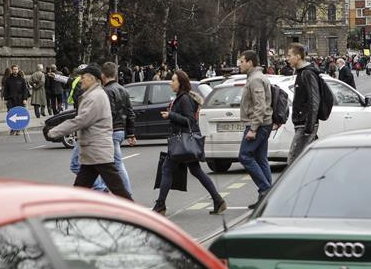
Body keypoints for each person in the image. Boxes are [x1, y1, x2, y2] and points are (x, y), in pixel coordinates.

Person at [48, 65, 133, 200]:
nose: (81, 80)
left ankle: (133, 215)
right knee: (81, 188)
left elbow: (81, 120)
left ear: (92, 79)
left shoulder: (95, 97)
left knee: (117, 188)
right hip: (92, 151)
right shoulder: (92, 94)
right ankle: (72, 215)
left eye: (83, 77)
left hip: (98, 149)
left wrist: (55, 131)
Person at [153, 71, 225, 215]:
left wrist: (171, 115)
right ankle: (218, 200)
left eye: (173, 80)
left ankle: (160, 205)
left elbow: (189, 120)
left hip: (182, 141)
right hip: (184, 142)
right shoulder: (180, 98)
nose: (170, 83)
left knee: (167, 169)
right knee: (196, 170)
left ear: (180, 83)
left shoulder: (184, 99)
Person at [238, 50, 272, 210]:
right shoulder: (254, 78)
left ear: (250, 62)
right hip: (262, 123)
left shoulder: (256, 79)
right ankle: (267, 198)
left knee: (244, 156)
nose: (240, 64)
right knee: (260, 158)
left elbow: (260, 106)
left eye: (242, 61)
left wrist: (253, 128)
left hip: (258, 124)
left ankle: (266, 190)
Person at [101, 62, 136, 195]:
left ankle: (126, 195)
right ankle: (106, 189)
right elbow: (130, 112)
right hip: (120, 130)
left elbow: (108, 113)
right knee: (110, 163)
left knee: (115, 164)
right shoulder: (123, 89)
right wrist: (131, 133)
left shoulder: (106, 91)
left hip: (111, 130)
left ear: (103, 75)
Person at [286, 43, 321, 166]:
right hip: (302, 123)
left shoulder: (308, 73)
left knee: (293, 162)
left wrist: (309, 127)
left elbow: (314, 100)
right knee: (308, 162)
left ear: (298, 56)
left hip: (305, 124)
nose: (288, 58)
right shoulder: (300, 73)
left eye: (290, 56)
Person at [3, 65, 29, 135]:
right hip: (11, 100)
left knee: (19, 115)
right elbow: (6, 90)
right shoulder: (8, 80)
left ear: (18, 70)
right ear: (12, 70)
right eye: (14, 69)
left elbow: (25, 90)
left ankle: (18, 129)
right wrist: (6, 99)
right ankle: (12, 128)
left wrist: (25, 99)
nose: (15, 70)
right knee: (11, 114)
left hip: (20, 100)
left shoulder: (21, 79)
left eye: (16, 69)